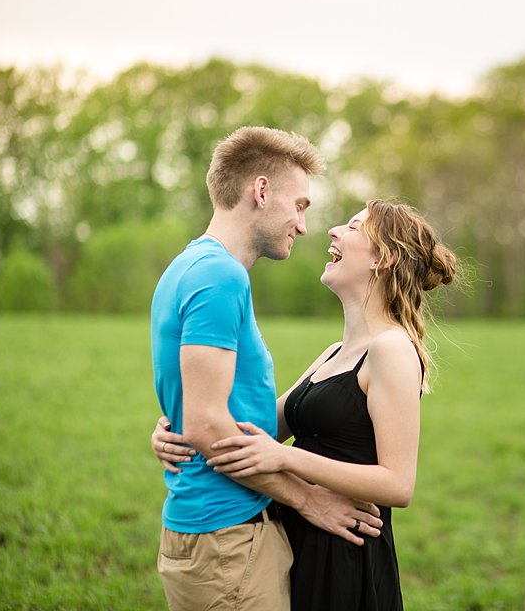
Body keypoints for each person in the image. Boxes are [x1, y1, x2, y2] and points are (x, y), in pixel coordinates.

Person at [153, 199, 458, 610]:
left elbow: (397, 484)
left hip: (344, 549)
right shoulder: (335, 352)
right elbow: (261, 428)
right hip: (300, 531)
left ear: (382, 258)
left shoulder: (392, 350)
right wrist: (182, 427)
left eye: (353, 227)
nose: (333, 231)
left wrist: (286, 460)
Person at [150, 126, 383, 611]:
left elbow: (201, 416)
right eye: (299, 205)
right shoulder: (220, 276)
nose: (302, 225)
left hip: (217, 538)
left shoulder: (189, 266)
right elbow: (206, 424)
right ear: (260, 190)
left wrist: (181, 427)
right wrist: (309, 499)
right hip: (227, 543)